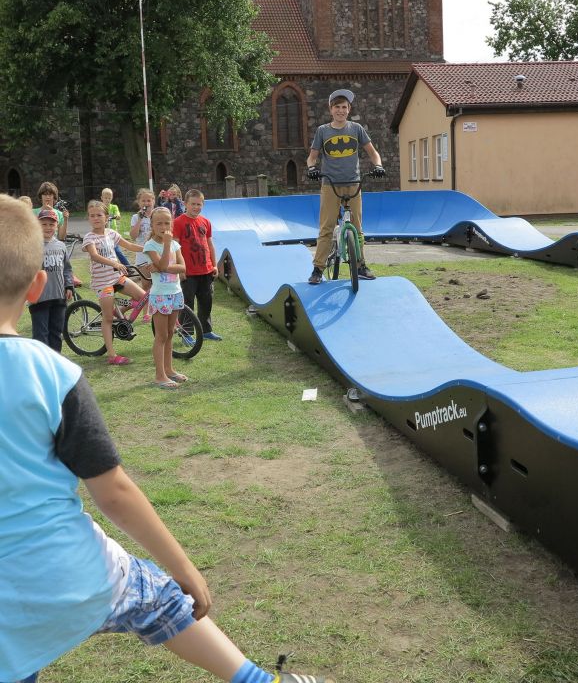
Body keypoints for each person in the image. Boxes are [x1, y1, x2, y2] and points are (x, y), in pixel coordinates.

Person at [0, 194, 334, 683]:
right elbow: (112, 491)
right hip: (67, 572)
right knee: (156, 596)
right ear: (36, 288)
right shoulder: (51, 373)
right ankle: (258, 681)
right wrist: (185, 567)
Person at [306, 89, 385, 284]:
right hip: (330, 185)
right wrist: (311, 168)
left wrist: (378, 165)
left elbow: (373, 153)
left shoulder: (356, 129)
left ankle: (360, 265)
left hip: (354, 183)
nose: (340, 111)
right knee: (326, 228)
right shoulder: (323, 131)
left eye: (344, 107)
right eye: (337, 107)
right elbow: (312, 157)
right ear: (330, 109)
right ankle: (318, 269)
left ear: (348, 109)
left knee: (357, 229)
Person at [82, 200, 145, 365]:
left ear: (106, 217)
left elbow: (129, 245)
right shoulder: (89, 238)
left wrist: (148, 248)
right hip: (103, 283)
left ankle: (121, 311)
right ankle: (111, 355)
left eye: (99, 215)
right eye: (92, 215)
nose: (95, 218)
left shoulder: (111, 233)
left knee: (144, 297)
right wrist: (115, 264)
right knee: (108, 319)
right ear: (88, 218)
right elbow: (95, 256)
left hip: (117, 278)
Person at [143, 207, 188, 389]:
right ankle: (159, 375)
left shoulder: (176, 245)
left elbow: (183, 268)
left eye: (167, 223)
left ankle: (169, 370)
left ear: (172, 224)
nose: (163, 226)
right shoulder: (151, 246)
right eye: (159, 223)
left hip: (175, 293)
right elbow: (162, 265)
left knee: (170, 334)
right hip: (160, 295)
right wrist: (167, 250)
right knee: (161, 336)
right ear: (152, 226)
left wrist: (164, 267)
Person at [173, 189, 222, 342]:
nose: (196, 207)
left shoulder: (205, 222)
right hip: (188, 272)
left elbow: (209, 244)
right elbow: (175, 247)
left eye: (199, 204)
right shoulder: (178, 222)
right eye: (193, 204)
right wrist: (180, 269)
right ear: (185, 204)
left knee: (206, 301)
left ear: (203, 204)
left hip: (206, 271)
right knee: (187, 303)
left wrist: (214, 265)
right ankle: (186, 333)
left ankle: (206, 330)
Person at [28, 207, 74, 352]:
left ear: (57, 225)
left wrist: (69, 286)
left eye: (51, 224)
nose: (48, 227)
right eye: (44, 224)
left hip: (58, 297)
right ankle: (41, 367)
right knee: (41, 336)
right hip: (39, 299)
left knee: (56, 333)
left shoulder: (61, 246)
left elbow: (67, 268)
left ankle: (55, 363)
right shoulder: (32, 246)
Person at [129, 187, 156, 322]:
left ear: (153, 201)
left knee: (156, 284)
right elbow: (133, 236)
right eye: (143, 200)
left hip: (156, 253)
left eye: (149, 200)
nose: (146, 203)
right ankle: (147, 312)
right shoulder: (135, 217)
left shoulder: (157, 215)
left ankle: (156, 310)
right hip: (142, 254)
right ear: (139, 203)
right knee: (145, 285)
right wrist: (140, 220)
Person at [101, 187, 129, 266]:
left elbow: (118, 215)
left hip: (112, 232)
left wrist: (116, 216)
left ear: (112, 198)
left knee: (117, 250)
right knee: (105, 250)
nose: (107, 200)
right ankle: (109, 266)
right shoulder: (100, 207)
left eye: (109, 198)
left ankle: (128, 266)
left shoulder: (114, 207)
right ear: (102, 198)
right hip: (103, 232)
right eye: (105, 198)